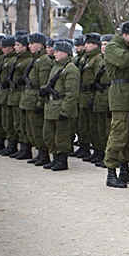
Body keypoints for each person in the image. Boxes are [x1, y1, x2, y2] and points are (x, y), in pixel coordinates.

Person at [103, 21, 129, 188]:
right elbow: (123, 61)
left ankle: (125, 170)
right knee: (118, 134)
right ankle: (111, 171)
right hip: (120, 94)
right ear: (125, 34)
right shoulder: (113, 47)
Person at [40, 40, 80, 171]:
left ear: (66, 53)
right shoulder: (56, 67)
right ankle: (55, 157)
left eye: (58, 52)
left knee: (61, 136)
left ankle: (62, 160)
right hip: (52, 106)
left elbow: (72, 93)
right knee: (48, 134)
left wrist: (65, 111)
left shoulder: (71, 69)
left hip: (62, 106)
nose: (54, 53)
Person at [19, 33, 53, 166]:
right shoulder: (36, 59)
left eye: (33, 44)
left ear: (41, 44)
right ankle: (40, 153)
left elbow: (44, 85)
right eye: (29, 44)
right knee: (31, 129)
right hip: (28, 99)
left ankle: (44, 155)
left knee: (38, 128)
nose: (30, 46)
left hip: (35, 100)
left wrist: (40, 103)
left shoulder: (44, 61)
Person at [76, 33, 103, 161]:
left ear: (95, 45)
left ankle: (98, 150)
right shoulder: (86, 57)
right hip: (83, 95)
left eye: (88, 43)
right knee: (83, 124)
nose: (85, 46)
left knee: (94, 125)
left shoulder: (98, 59)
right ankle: (84, 147)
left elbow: (98, 80)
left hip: (91, 94)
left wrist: (93, 96)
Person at [91, 34, 114, 167]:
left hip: (109, 95)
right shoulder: (101, 60)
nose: (103, 47)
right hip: (100, 96)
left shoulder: (112, 60)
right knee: (100, 127)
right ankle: (100, 152)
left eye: (106, 44)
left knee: (108, 128)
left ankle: (108, 155)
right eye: (102, 44)